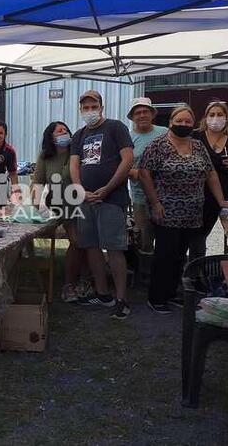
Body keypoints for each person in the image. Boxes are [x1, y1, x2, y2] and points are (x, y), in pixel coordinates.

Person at [139, 105, 228, 314]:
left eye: (188, 121)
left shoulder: (198, 146)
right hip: (166, 212)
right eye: (179, 121)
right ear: (171, 122)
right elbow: (145, 174)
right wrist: (155, 203)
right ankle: (157, 297)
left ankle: (172, 293)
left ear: (193, 124)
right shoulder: (158, 145)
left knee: (181, 255)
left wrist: (221, 201)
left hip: (192, 213)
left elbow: (211, 175)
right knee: (165, 255)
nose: (183, 124)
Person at [69, 90, 134, 320]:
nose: (89, 111)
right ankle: (103, 293)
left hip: (112, 199)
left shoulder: (116, 128)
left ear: (101, 106)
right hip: (86, 200)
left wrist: (108, 188)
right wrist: (80, 189)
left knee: (114, 248)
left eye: (93, 106)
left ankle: (121, 298)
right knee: (91, 246)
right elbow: (74, 165)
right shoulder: (78, 135)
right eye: (85, 108)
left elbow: (127, 159)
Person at [31, 121, 88, 302]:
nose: (64, 132)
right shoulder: (45, 156)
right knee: (77, 241)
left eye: (65, 129)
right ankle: (69, 283)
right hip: (61, 203)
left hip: (83, 200)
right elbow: (38, 181)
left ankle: (84, 280)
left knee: (86, 242)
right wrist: (35, 207)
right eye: (59, 131)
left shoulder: (77, 151)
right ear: (51, 137)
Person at [189, 100, 228, 261]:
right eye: (212, 114)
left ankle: (195, 268)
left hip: (219, 198)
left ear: (227, 118)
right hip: (193, 195)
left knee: (202, 234)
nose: (216, 118)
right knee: (195, 236)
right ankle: (193, 268)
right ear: (206, 117)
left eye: (220, 114)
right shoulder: (194, 136)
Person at [127, 97, 168, 255]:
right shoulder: (128, 138)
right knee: (144, 241)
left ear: (152, 114)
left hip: (166, 197)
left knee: (166, 239)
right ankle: (145, 276)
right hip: (140, 198)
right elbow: (121, 166)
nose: (142, 115)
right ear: (132, 117)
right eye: (137, 113)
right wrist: (137, 173)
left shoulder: (165, 133)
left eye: (145, 111)